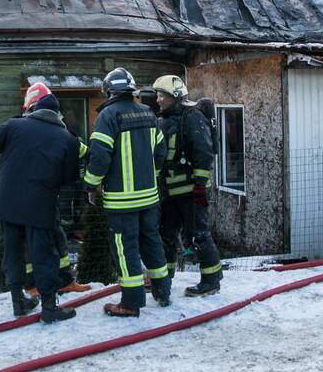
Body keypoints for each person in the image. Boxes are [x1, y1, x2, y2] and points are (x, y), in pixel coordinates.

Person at [0, 84, 80, 323]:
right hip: (41, 206)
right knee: (44, 256)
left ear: (32, 108)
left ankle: (18, 301)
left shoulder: (15, 126)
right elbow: (69, 178)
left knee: (13, 253)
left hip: (8, 203)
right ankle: (49, 308)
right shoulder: (68, 139)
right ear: (58, 113)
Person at [83, 67, 170, 317]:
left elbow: (100, 157)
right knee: (151, 241)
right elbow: (161, 151)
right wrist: (151, 176)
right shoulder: (148, 113)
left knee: (125, 248)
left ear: (109, 91)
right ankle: (162, 291)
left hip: (122, 202)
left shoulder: (107, 116)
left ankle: (131, 303)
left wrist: (90, 184)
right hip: (149, 197)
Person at [17, 85, 93, 299]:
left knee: (58, 236)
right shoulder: (24, 129)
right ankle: (31, 284)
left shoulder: (56, 128)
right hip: (28, 195)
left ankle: (65, 281)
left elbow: (80, 150)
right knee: (30, 240)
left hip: (48, 194)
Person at [152, 75, 222, 297]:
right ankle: (163, 279)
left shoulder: (192, 117)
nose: (157, 99)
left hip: (191, 192)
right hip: (169, 192)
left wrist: (200, 185)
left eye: (161, 95)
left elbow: (204, 152)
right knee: (166, 235)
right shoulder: (163, 120)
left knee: (198, 235)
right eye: (157, 95)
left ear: (174, 97)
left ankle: (211, 281)